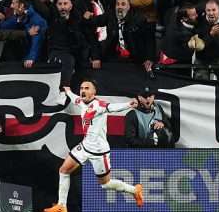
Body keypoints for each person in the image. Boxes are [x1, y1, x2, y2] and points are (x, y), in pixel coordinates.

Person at [44, 79, 144, 212]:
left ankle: (134, 190)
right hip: (85, 147)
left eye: (87, 88)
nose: (83, 90)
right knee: (63, 170)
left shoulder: (99, 105)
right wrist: (68, 91)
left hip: (99, 152)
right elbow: (75, 98)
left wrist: (128, 104)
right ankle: (62, 205)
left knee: (106, 184)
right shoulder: (81, 102)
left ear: (94, 92)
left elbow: (112, 107)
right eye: (81, 88)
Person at [84, 0, 154, 68]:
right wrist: (87, 18)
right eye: (117, 4)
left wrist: (149, 58)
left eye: (123, 4)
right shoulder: (110, 15)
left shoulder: (139, 19)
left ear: (129, 7)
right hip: (113, 57)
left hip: (134, 59)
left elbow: (149, 40)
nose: (120, 7)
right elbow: (93, 22)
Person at [47, 0, 99, 87]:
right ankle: (64, 91)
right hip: (58, 52)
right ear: (56, 6)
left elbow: (90, 38)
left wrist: (95, 57)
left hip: (78, 53)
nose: (63, 7)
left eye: (65, 3)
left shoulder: (79, 19)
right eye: (60, 4)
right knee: (68, 60)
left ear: (71, 5)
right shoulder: (52, 19)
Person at [0, 0, 48, 68]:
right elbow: (3, 27)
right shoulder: (18, 16)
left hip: (33, 60)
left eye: (14, 3)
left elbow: (37, 41)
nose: (11, 6)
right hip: (19, 54)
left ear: (21, 5)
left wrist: (31, 58)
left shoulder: (36, 20)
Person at [158, 3, 203, 77]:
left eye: (196, 13)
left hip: (172, 55)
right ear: (185, 18)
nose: (197, 16)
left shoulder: (174, 14)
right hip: (175, 66)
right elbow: (199, 46)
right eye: (193, 15)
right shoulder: (184, 34)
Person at [194, 0, 219, 81]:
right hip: (202, 57)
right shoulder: (199, 20)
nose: (211, 13)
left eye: (214, 10)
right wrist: (211, 34)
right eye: (208, 10)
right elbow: (200, 45)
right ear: (205, 10)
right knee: (200, 84)